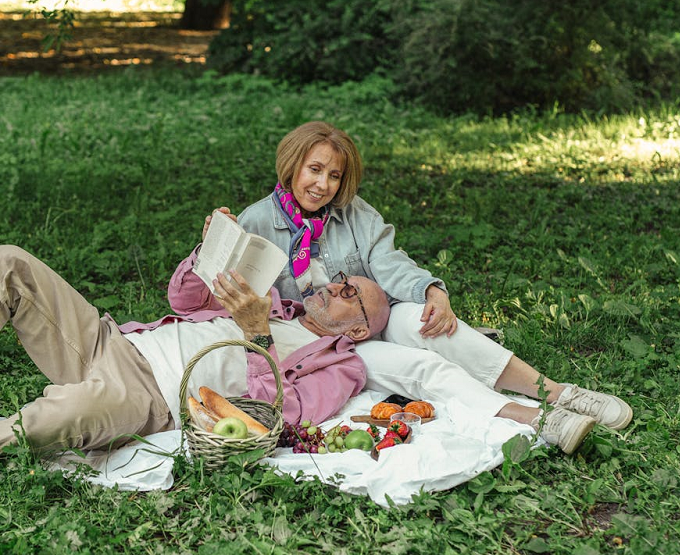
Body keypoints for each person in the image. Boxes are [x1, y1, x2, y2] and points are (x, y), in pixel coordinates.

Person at [214, 120, 632, 443]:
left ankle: (556, 391)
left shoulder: (356, 214)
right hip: (317, 340)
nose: (323, 185)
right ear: (293, 165)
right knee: (421, 366)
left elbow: (390, 262)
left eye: (335, 175)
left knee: (425, 323)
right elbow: (234, 293)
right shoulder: (256, 221)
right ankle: (538, 419)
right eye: (315, 170)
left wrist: (431, 290)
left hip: (372, 316)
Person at [0, 242, 391, 468]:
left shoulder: (341, 364)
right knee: (7, 262)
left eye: (351, 296)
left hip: (149, 394)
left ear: (363, 330)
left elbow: (279, 414)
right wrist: (207, 251)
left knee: (67, 416)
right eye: (341, 280)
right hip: (112, 342)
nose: (337, 288)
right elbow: (183, 298)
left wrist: (257, 335)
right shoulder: (272, 298)